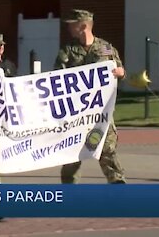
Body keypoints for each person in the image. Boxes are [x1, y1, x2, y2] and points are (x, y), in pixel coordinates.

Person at [54, 9, 127, 184]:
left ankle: (118, 185)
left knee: (107, 149)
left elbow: (120, 69)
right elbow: (57, 77)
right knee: (71, 152)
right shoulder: (68, 50)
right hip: (76, 114)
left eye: (73, 25)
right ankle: (69, 189)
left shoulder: (105, 48)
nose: (69, 28)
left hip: (101, 112)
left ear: (83, 26)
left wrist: (120, 72)